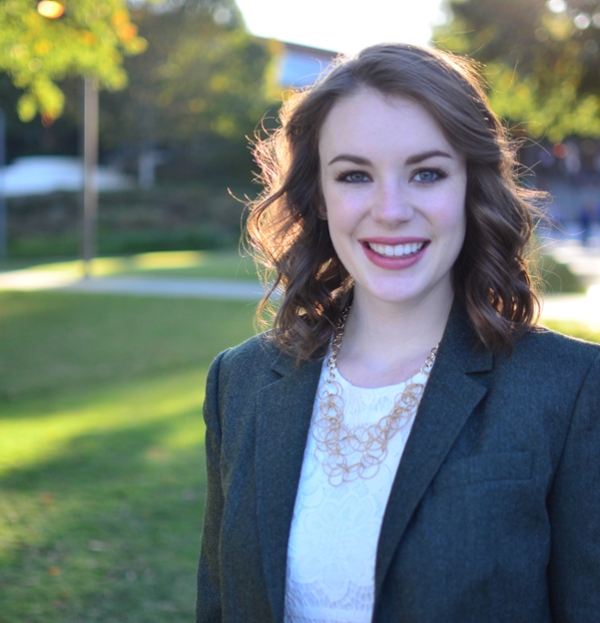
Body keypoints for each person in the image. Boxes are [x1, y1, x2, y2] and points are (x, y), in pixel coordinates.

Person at [196, 43, 600, 623]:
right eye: (355, 174)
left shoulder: (571, 389)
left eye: (426, 173)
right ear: (320, 196)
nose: (390, 209)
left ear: (470, 186)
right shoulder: (238, 383)